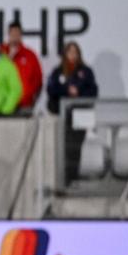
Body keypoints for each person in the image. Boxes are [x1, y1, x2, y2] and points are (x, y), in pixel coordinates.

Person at [47, 42, 98, 183]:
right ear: (65, 54)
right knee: (62, 146)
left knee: (75, 146)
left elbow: (93, 91)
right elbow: (51, 90)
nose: (73, 55)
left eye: (75, 52)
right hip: (62, 116)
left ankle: (73, 176)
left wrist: (79, 92)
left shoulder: (86, 71)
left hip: (79, 116)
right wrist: (66, 91)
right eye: (70, 52)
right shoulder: (58, 72)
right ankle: (62, 177)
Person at [2, 21, 43, 111]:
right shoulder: (0, 53)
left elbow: (38, 80)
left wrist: (31, 98)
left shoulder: (30, 55)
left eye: (17, 33)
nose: (15, 36)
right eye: (12, 33)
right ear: (8, 34)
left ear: (21, 35)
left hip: (24, 104)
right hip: (3, 105)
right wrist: (9, 59)